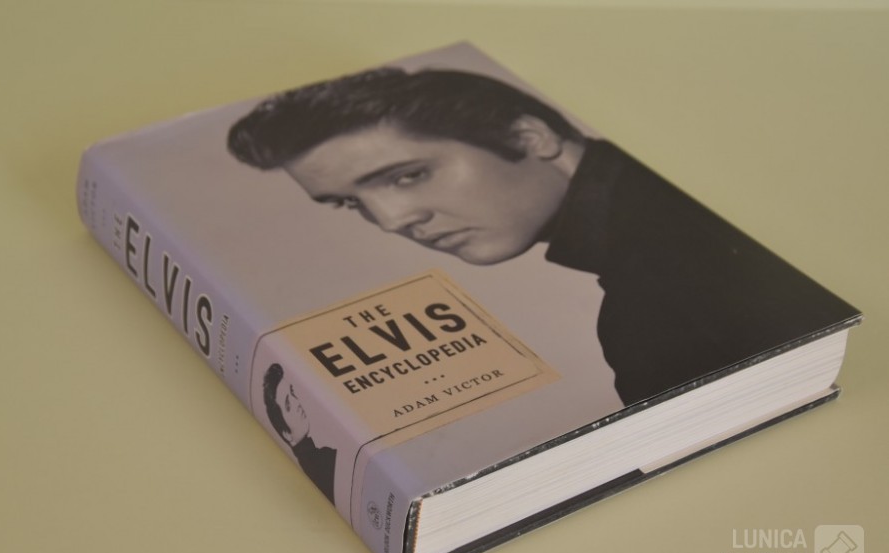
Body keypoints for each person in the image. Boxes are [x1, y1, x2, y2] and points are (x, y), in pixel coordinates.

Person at [230, 67, 856, 406]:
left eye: (408, 175)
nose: (393, 222)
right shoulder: (667, 210)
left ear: (530, 137)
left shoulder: (656, 306)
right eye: (350, 203)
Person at [263, 363, 337, 503]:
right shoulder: (323, 464)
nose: (297, 402)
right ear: (286, 434)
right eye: (288, 405)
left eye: (292, 393)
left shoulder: (320, 460)